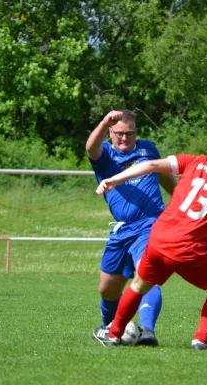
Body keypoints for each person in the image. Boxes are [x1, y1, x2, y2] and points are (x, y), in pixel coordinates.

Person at [92, 129, 207, 350]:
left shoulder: (195, 161)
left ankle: (114, 334)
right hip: (188, 248)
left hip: (159, 237)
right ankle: (201, 340)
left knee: (138, 285)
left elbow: (152, 165)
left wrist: (114, 179)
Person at [86, 109, 176, 346]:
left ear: (136, 132)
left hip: (151, 223)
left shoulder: (147, 149)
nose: (125, 138)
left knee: (145, 274)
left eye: (130, 134)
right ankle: (110, 329)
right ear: (110, 133)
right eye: (119, 134)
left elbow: (165, 175)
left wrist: (180, 202)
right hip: (122, 229)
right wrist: (105, 120)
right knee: (107, 289)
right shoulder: (104, 153)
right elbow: (90, 148)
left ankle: (147, 331)